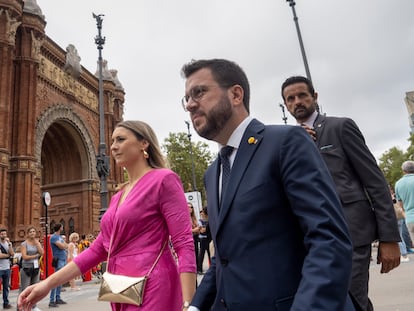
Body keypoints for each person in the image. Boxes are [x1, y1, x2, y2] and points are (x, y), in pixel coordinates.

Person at [181, 58, 355, 310]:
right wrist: (197, 306)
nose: (190, 104)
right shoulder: (213, 172)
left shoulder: (285, 142)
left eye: (199, 92)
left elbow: (328, 239)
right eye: (186, 98)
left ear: (236, 94)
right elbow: (224, 257)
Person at [18, 120, 197, 311]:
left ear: (144, 143)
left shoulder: (163, 179)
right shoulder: (117, 197)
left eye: (120, 139)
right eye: (112, 141)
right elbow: (96, 251)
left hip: (154, 284)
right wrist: (46, 284)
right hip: (121, 289)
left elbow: (183, 243)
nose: (113, 147)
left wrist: (189, 304)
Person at [281, 75, 401, 311]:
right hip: (312, 240)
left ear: (314, 97)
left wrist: (389, 237)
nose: (297, 102)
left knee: (350, 300)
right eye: (290, 99)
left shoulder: (340, 127)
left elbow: (375, 182)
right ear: (286, 105)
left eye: (302, 95)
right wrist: (296, 144)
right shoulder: (285, 141)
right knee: (342, 303)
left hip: (352, 234)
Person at [19, 227, 44, 311]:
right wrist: (35, 256)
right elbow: (24, 256)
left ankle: (33, 306)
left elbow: (42, 253)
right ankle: (22, 307)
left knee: (35, 289)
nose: (32, 233)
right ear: (28, 233)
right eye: (30, 232)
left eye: (34, 231)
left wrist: (37, 244)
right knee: (25, 289)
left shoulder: (37, 242)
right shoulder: (24, 244)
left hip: (36, 268)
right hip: (26, 268)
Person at [48, 223, 68, 307]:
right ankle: (51, 300)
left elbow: (65, 246)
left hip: (63, 259)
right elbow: (62, 246)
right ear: (60, 228)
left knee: (60, 279)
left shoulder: (59, 237)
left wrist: (64, 245)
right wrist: (64, 245)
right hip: (58, 259)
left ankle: (58, 297)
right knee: (56, 279)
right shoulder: (54, 237)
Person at [395, 161, 414, 243]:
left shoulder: (398, 184)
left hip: (410, 219)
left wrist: (405, 216)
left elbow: (400, 206)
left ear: (403, 171)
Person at [0, 229, 14, 309]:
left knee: (6, 287)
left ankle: (6, 303)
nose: (4, 235)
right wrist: (8, 255)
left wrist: (9, 244)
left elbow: (12, 253)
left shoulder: (8, 243)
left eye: (5, 234)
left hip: (7, 268)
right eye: (2, 234)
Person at [197, 208, 211, 274]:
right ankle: (199, 269)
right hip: (203, 239)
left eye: (202, 212)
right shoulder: (200, 220)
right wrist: (202, 230)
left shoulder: (209, 220)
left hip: (208, 239)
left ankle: (211, 268)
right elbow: (201, 230)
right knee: (202, 254)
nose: (201, 213)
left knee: (210, 253)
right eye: (201, 212)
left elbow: (203, 230)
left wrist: (203, 230)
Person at [189, 202, 201, 272]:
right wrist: (194, 230)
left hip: (196, 237)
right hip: (190, 238)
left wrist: (199, 229)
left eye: (191, 207)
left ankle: (197, 269)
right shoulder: (185, 217)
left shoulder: (194, 217)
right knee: (192, 255)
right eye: (188, 207)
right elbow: (185, 230)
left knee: (197, 253)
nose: (190, 209)